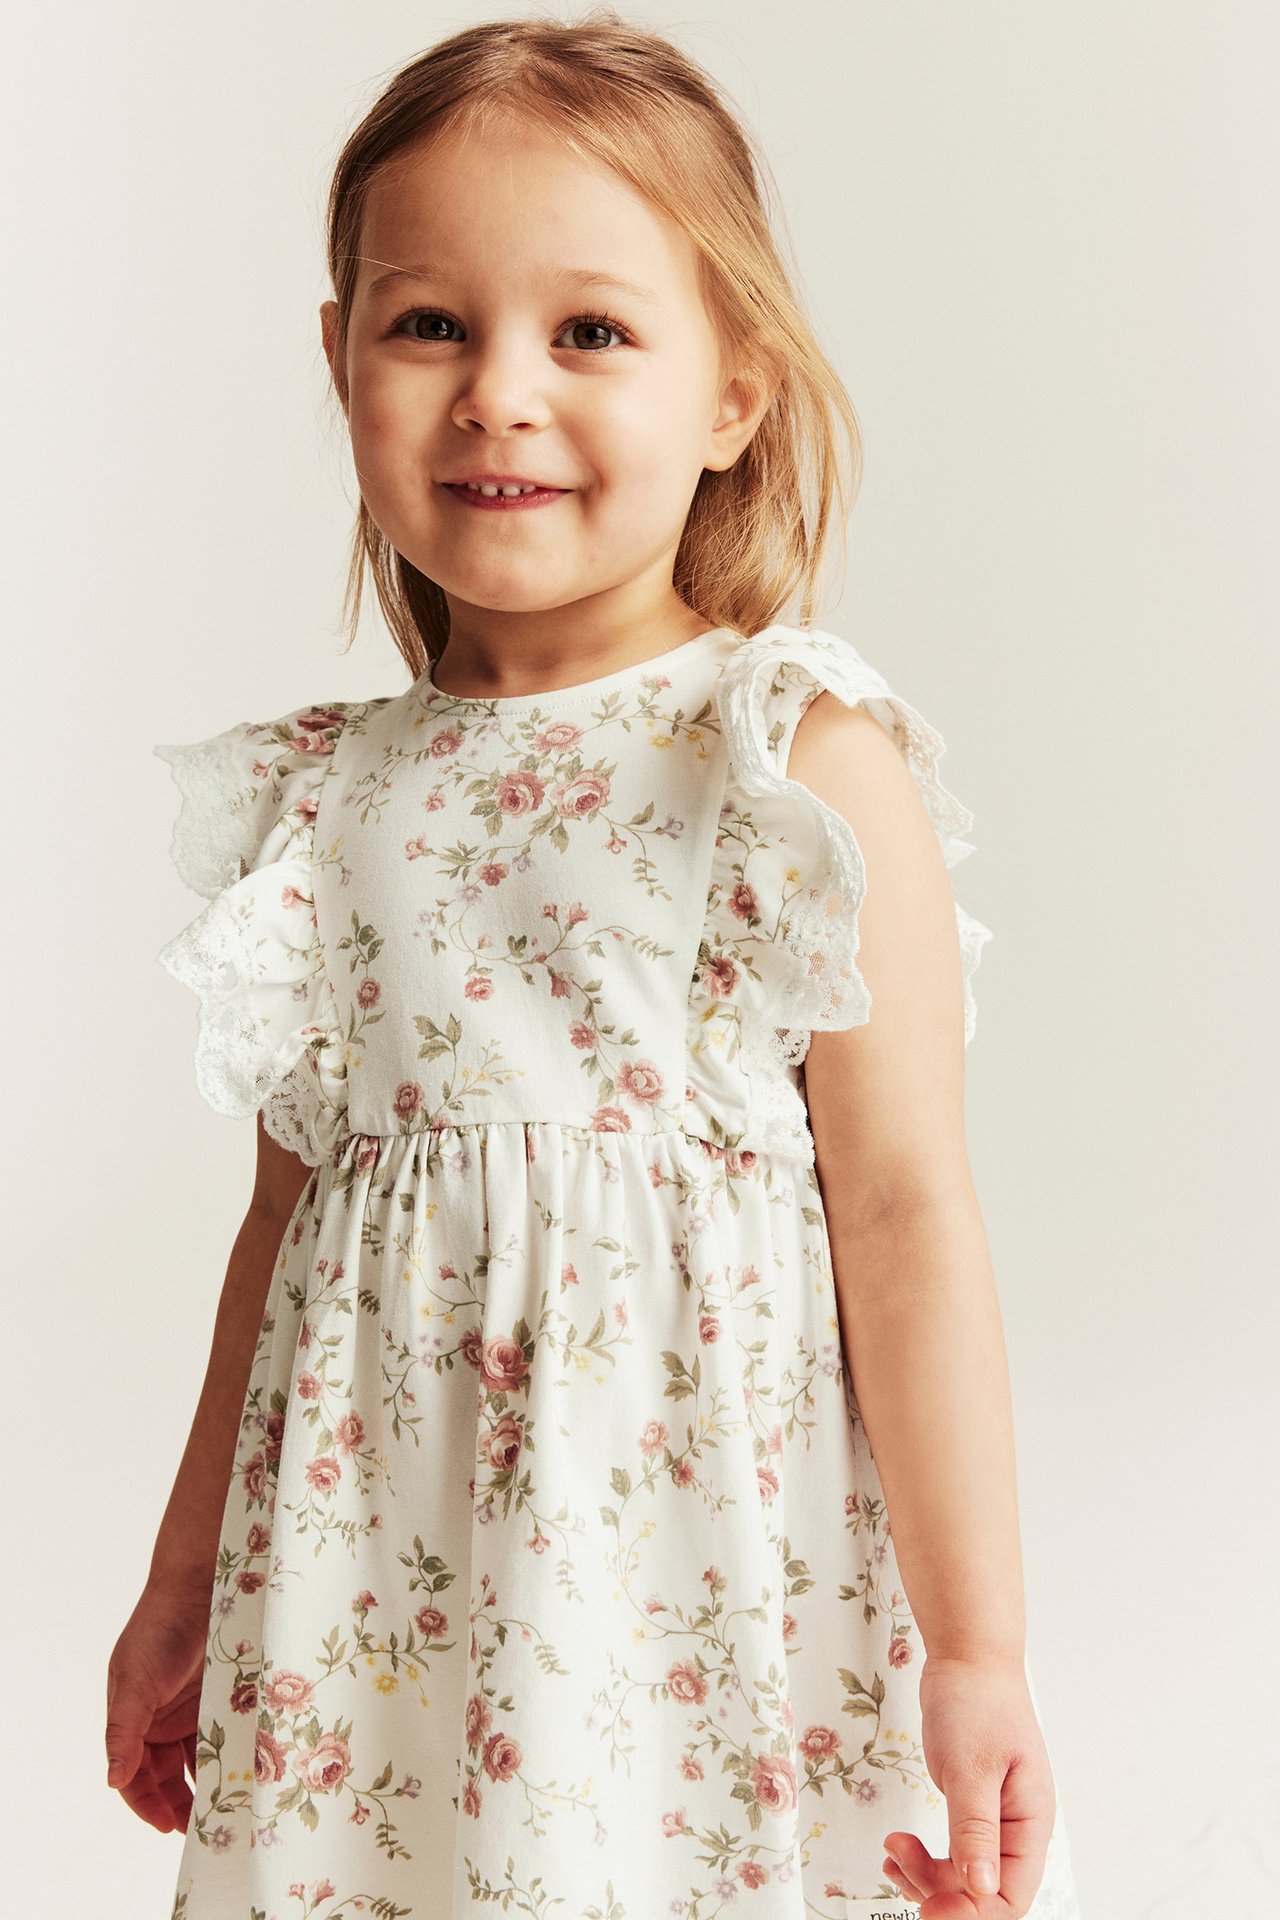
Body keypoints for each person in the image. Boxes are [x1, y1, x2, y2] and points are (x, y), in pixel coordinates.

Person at [106, 14, 1085, 1919]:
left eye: (592, 332)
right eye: (430, 326)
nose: (500, 395)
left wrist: (981, 1651)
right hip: (366, 1602)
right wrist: (180, 1581)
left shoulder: (787, 764)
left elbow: (905, 1216)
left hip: (680, 1587)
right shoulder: (327, 797)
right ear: (341, 358)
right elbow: (281, 1236)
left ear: (735, 391)